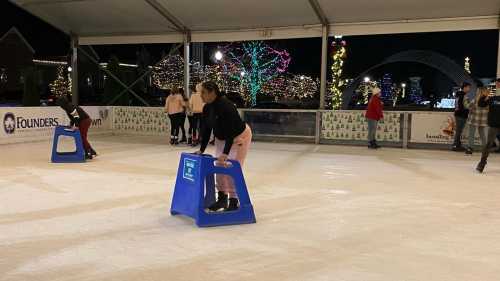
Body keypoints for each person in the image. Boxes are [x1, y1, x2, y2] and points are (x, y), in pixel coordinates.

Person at [195, 81, 252, 212]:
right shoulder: (207, 107)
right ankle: (222, 199)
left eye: (203, 92)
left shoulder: (226, 106)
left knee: (231, 167)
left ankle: (233, 200)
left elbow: (230, 131)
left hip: (238, 137)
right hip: (222, 138)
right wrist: (201, 149)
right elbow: (207, 129)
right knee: (219, 166)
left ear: (212, 92)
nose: (201, 95)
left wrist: (225, 153)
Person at [476, 84, 500, 173]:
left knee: (489, 144)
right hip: (493, 124)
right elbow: (481, 104)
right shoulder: (492, 98)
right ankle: (482, 164)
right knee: (488, 144)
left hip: (494, 123)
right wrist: (483, 95)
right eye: (497, 84)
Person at [465, 87, 489, 154]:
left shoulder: (475, 100)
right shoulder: (488, 100)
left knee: (471, 134)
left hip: (473, 119)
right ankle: (485, 149)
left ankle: (470, 148)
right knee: (482, 134)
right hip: (483, 120)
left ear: (479, 92)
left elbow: (468, 106)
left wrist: (465, 100)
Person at [452, 82, 471, 151]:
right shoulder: (464, 95)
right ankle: (455, 145)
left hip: (458, 114)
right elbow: (466, 106)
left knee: (458, 130)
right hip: (462, 115)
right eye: (469, 87)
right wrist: (472, 105)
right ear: (465, 87)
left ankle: (457, 144)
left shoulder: (458, 95)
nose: (469, 89)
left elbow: (457, 105)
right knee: (459, 131)